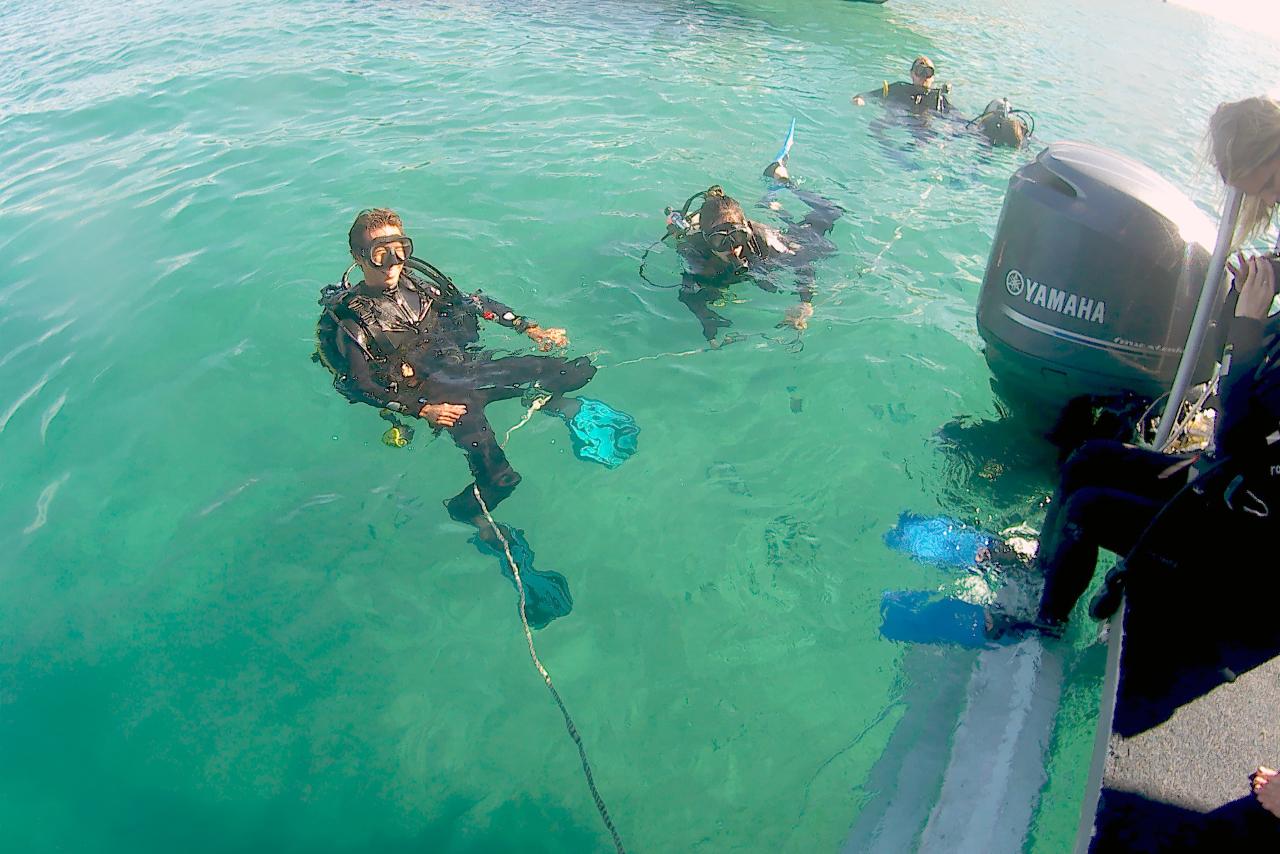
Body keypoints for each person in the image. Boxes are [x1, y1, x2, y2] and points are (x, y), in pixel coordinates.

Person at [1006, 97, 1280, 637]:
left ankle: (1045, 630)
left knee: (1090, 508)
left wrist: (1248, 327)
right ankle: (1040, 571)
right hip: (1233, 481)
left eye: (1256, 184)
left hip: (1253, 524)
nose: (1256, 198)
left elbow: (1237, 439)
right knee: (1085, 457)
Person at [315, 208, 638, 628]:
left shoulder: (421, 287)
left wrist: (529, 328)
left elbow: (477, 303)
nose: (394, 263)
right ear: (360, 257)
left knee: (572, 371)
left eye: (401, 250)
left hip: (468, 369)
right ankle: (474, 516)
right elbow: (361, 386)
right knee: (502, 480)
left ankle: (558, 404)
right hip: (438, 398)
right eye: (381, 254)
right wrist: (421, 409)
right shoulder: (352, 324)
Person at [657, 155, 843, 346]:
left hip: (789, 236)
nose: (733, 247)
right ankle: (694, 220)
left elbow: (802, 261)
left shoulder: (764, 239)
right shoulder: (695, 251)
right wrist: (708, 322)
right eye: (720, 240)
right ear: (706, 239)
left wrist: (805, 302)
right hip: (708, 246)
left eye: (737, 236)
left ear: (746, 229)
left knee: (831, 212)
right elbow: (688, 294)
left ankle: (782, 180)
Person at [851, 55, 953, 114]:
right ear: (912, 74)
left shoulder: (938, 98)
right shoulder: (899, 88)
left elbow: (956, 117)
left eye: (928, 73)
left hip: (925, 125)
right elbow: (866, 95)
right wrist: (860, 100)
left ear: (933, 77)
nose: (923, 76)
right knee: (875, 126)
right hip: (900, 118)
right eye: (919, 71)